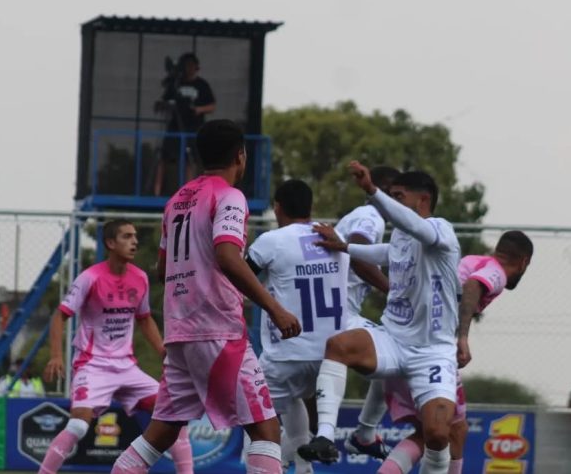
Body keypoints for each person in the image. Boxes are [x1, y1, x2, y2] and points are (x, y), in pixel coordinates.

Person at [111, 119, 301, 474]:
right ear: (240, 156)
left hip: (180, 331)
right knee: (266, 429)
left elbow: (163, 269)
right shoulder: (230, 196)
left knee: (160, 433)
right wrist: (274, 308)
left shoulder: (176, 201)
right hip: (217, 328)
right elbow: (227, 255)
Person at [298, 162, 461, 474]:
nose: (391, 203)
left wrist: (373, 191)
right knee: (339, 345)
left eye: (398, 196)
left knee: (438, 434)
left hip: (432, 352)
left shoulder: (440, 229)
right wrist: (345, 247)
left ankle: (365, 433)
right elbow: (387, 252)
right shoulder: (401, 235)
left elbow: (414, 227)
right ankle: (325, 437)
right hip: (393, 339)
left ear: (423, 199)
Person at [40, 220, 193, 474]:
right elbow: (60, 316)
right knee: (78, 426)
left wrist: (163, 351)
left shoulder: (140, 277)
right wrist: (56, 356)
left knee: (175, 413)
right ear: (110, 243)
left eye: (135, 236)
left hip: (126, 366)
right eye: (127, 236)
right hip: (92, 365)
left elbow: (144, 319)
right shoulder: (90, 277)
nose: (134, 241)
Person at [378, 231, 535, 474]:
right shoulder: (496, 272)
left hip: (401, 346)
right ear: (524, 262)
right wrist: (462, 337)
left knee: (432, 431)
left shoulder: (473, 260)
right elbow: (473, 285)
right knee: (455, 429)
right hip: (427, 353)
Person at [245, 179, 350, 474]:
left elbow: (239, 275)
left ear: (277, 207)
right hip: (330, 357)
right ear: (310, 207)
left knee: (253, 428)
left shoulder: (272, 240)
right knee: (295, 404)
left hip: (286, 355)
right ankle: (303, 467)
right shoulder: (335, 237)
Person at [336, 165, 401, 460]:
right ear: (386, 191)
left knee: (301, 424)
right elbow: (359, 255)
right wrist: (393, 291)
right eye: (399, 195)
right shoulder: (370, 217)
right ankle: (364, 434)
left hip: (332, 312)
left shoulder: (364, 215)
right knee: (399, 351)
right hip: (341, 315)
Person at [153, 52, 217, 195]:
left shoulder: (202, 85)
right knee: (164, 157)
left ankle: (187, 195)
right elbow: (165, 101)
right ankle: (156, 193)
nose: (188, 68)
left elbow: (212, 106)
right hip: (175, 127)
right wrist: (164, 105)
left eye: (191, 65)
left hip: (193, 128)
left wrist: (198, 109)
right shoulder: (176, 83)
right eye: (186, 65)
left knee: (190, 160)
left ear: (196, 67)